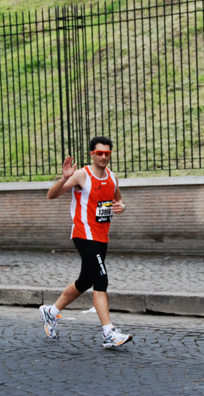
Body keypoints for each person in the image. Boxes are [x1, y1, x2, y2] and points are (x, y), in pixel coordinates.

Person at [38, 136, 133, 349]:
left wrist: (122, 207)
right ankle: (108, 333)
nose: (103, 156)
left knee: (85, 281)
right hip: (83, 234)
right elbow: (51, 195)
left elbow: (119, 199)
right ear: (92, 154)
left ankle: (50, 312)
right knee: (101, 279)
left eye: (107, 153)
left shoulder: (112, 177)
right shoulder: (82, 175)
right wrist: (64, 179)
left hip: (102, 236)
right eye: (99, 153)